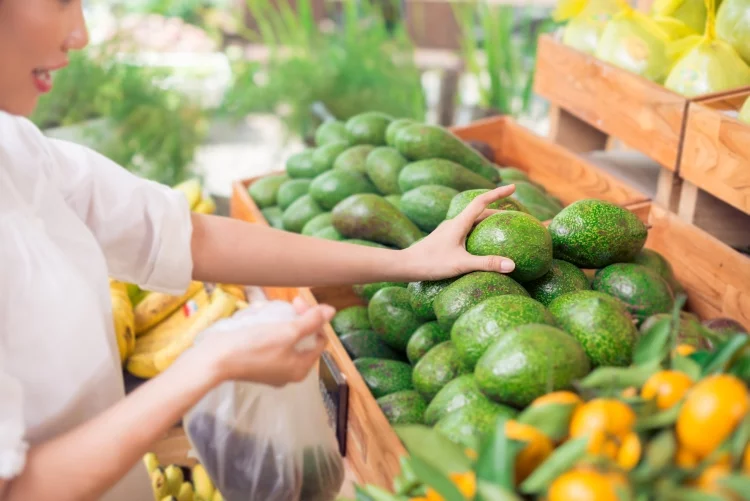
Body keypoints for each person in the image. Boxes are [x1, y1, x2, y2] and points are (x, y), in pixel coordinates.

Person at [0, 1, 517, 500]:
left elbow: (190, 237)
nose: (81, 34)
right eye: (61, 0)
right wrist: (209, 366)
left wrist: (407, 261)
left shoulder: (19, 151)